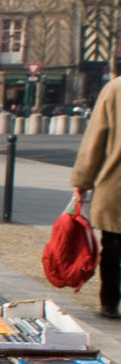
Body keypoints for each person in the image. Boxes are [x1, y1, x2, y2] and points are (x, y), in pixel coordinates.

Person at [71, 69, 121, 318]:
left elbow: (95, 139)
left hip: (117, 186)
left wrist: (82, 180)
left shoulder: (115, 89)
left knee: (113, 246)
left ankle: (109, 302)